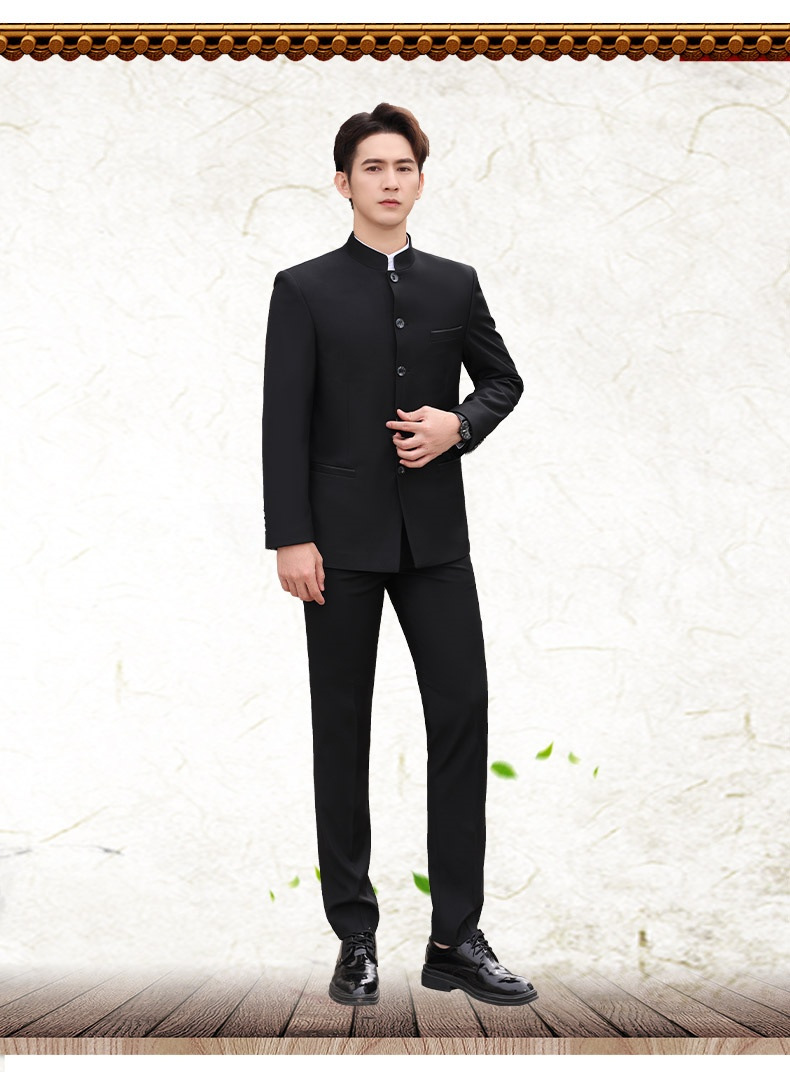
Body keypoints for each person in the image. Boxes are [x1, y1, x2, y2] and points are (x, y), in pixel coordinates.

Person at [262, 102, 537, 1008]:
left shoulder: (454, 284)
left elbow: (503, 379)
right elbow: (282, 421)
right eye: (372, 167)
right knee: (341, 731)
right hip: (334, 547)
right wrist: (290, 535)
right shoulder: (303, 288)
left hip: (436, 543)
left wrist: (461, 424)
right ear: (343, 182)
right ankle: (356, 937)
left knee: (462, 718)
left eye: (403, 167)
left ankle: (455, 938)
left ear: (421, 179)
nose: (389, 180)